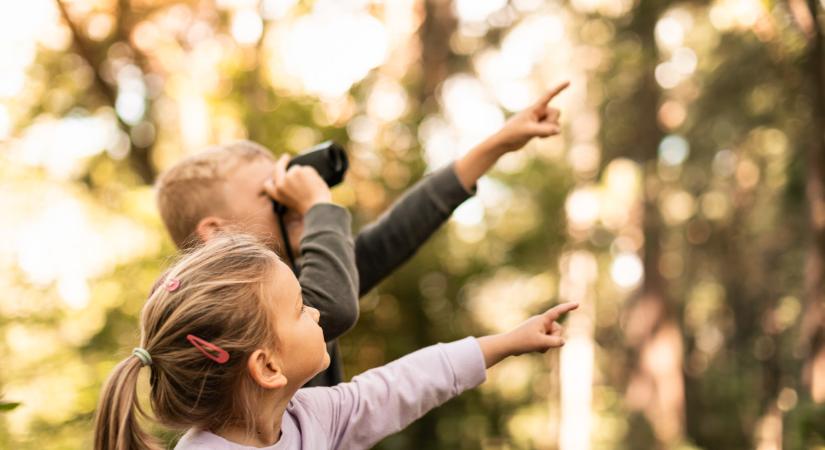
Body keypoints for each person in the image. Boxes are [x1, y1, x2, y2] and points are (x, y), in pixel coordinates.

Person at [154, 82, 570, 386]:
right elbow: (333, 308)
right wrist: (318, 208)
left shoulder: (296, 281)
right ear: (217, 233)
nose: (287, 199)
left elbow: (393, 235)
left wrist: (497, 143)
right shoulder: (227, 318)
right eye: (270, 194)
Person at [93, 234, 578, 450]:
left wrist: (506, 342)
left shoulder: (309, 417)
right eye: (300, 308)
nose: (317, 312)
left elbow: (398, 386)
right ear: (266, 367)